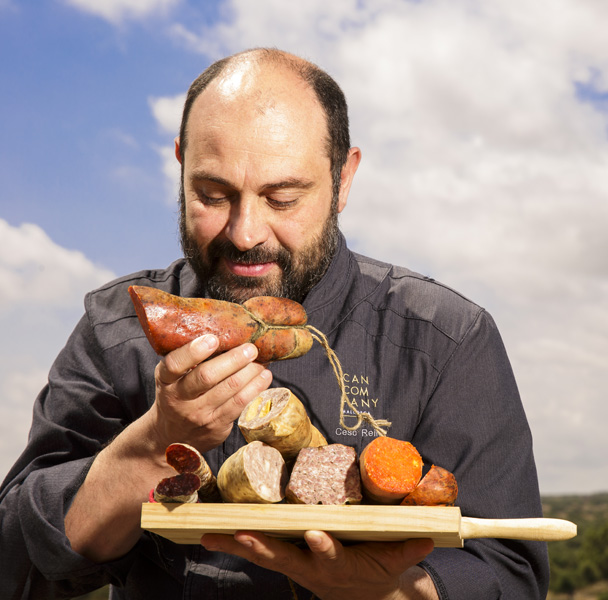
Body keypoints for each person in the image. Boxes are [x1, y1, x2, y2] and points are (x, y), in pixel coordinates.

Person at [0, 48, 548, 599]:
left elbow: (512, 572)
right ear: (180, 165)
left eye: (282, 198)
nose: (244, 233)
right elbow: (15, 562)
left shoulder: (446, 339)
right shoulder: (116, 327)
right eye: (212, 195)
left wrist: (387, 592)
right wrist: (152, 444)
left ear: (343, 179)